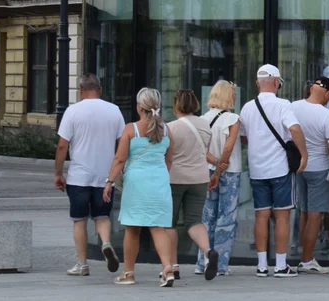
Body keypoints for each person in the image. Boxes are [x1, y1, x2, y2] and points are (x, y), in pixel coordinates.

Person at [102, 88, 178, 287]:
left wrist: (109, 182)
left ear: (139, 107)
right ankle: (168, 268)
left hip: (136, 182)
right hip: (160, 181)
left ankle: (128, 273)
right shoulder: (167, 129)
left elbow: (119, 159)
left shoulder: (131, 129)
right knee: (158, 227)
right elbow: (169, 159)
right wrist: (160, 174)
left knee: (132, 228)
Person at [240, 64, 308, 278]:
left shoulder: (248, 107)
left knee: (261, 216)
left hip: (257, 169)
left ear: (258, 83)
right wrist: (304, 154)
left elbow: (243, 136)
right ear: (277, 82)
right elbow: (294, 129)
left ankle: (261, 265)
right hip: (280, 169)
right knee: (282, 217)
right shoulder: (283, 105)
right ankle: (280, 265)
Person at [55, 73, 126, 277]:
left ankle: (82, 263)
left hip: (79, 176)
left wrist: (58, 173)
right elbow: (122, 143)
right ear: (100, 90)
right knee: (102, 215)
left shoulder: (72, 111)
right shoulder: (114, 110)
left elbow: (62, 145)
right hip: (105, 176)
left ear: (80, 90)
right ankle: (105, 243)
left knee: (80, 220)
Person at [166, 90, 218, 281]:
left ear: (176, 105)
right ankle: (207, 251)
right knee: (194, 221)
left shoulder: (171, 128)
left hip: (175, 179)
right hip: (200, 178)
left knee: (169, 224)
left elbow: (168, 156)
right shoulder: (205, 126)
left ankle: (173, 266)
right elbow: (205, 152)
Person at [291, 76, 329, 274]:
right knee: (315, 214)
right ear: (327, 94)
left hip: (300, 167)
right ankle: (307, 259)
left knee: (303, 212)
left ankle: (305, 255)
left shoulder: (293, 107)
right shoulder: (326, 115)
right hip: (319, 167)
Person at [197, 80, 242, 277]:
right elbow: (228, 147)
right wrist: (222, 165)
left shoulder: (202, 119)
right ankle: (221, 263)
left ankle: (202, 261)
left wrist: (214, 164)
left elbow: (202, 149)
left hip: (206, 170)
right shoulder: (233, 118)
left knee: (207, 216)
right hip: (230, 171)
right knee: (227, 217)